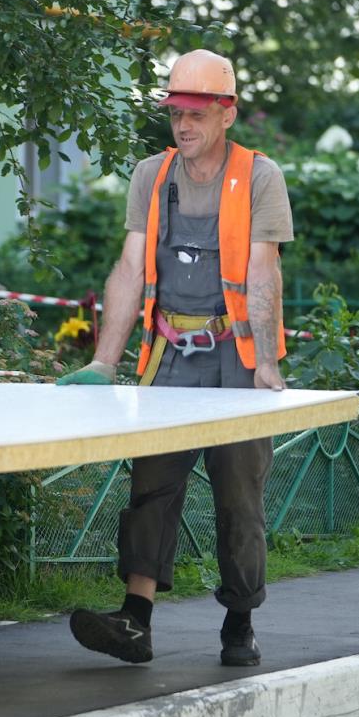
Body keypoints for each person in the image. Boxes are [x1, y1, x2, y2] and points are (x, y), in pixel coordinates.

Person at [57, 48, 292, 668]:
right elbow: (130, 267)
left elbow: (264, 271)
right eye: (174, 112)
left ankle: (238, 622)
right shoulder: (150, 175)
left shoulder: (259, 177)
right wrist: (103, 364)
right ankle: (135, 622)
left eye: (195, 113)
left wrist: (266, 363)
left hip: (236, 358)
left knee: (239, 495)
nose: (183, 125)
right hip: (169, 355)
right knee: (151, 487)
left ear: (227, 113)